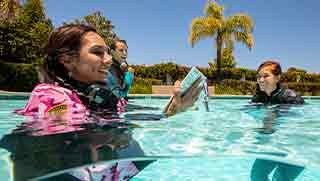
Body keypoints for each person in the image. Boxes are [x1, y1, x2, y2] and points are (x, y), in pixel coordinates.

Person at [13, 24, 202, 180]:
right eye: (98, 52)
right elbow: (65, 133)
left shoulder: (101, 97)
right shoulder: (49, 95)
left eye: (107, 53)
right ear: (67, 60)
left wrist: (171, 112)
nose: (109, 60)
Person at [250, 60, 304, 181]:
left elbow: (302, 121)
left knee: (280, 178)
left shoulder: (291, 98)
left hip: (296, 145)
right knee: (257, 175)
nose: (261, 80)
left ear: (277, 78)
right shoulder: (258, 98)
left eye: (266, 76)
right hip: (274, 144)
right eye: (258, 77)